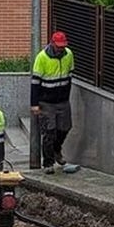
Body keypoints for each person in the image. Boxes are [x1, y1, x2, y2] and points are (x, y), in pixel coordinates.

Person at [30, 30, 75, 174]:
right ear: (52, 44)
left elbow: (70, 75)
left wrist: (66, 96)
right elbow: (35, 83)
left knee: (65, 128)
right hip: (47, 101)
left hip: (62, 100)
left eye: (63, 46)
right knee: (49, 132)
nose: (61, 49)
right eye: (59, 46)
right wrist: (35, 104)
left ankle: (57, 150)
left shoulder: (68, 54)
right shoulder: (42, 58)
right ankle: (48, 162)